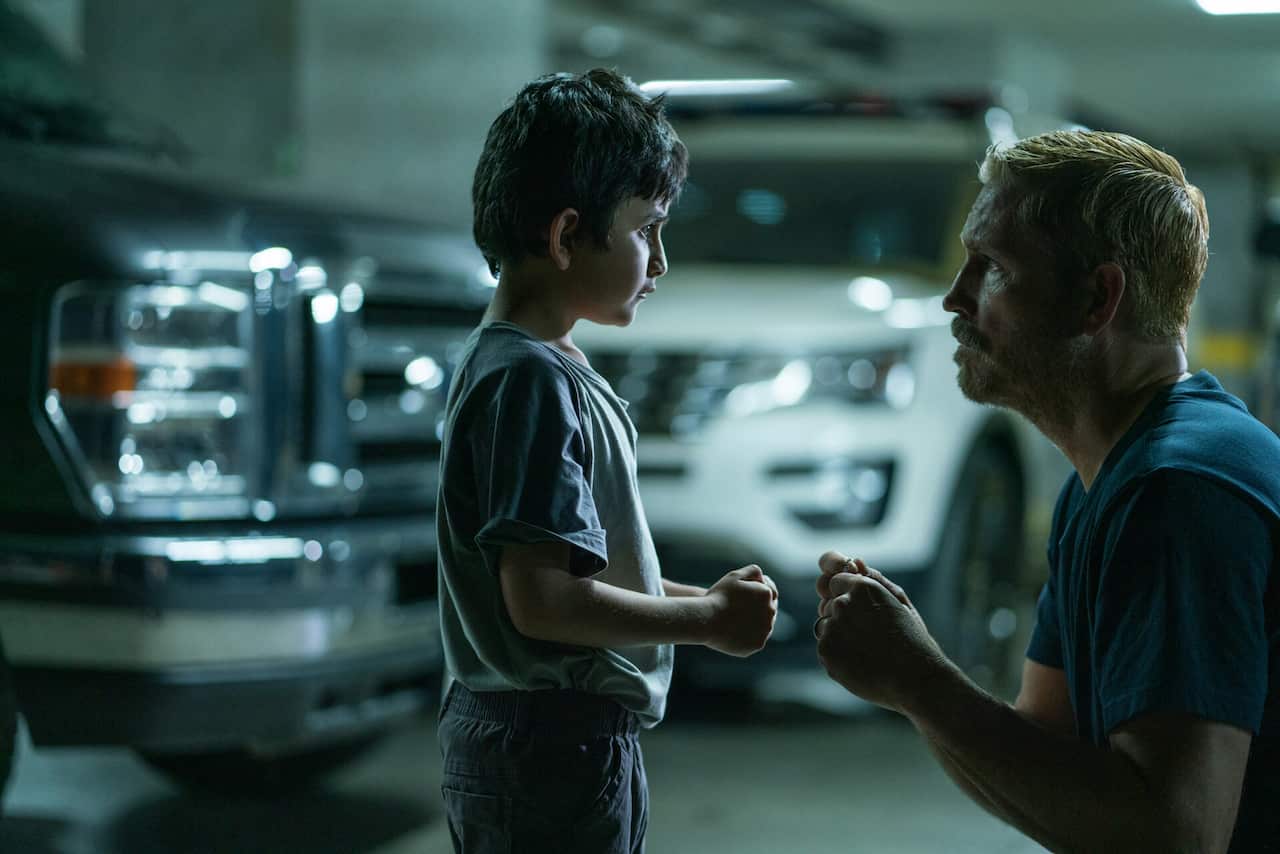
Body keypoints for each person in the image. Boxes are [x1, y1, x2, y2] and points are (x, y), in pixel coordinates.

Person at [814, 130, 1280, 852]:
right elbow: (1044, 747)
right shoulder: (1105, 480)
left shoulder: (1180, 491)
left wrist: (918, 681)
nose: (954, 297)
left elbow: (1175, 834)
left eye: (991, 268)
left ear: (1098, 297)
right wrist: (912, 673)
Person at [436, 68, 779, 854]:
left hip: (543, 742)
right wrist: (703, 622)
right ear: (564, 237)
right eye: (646, 230)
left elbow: (574, 572)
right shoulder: (529, 381)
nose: (659, 261)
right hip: (549, 749)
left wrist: (710, 600)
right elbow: (544, 602)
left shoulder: (527, 366)